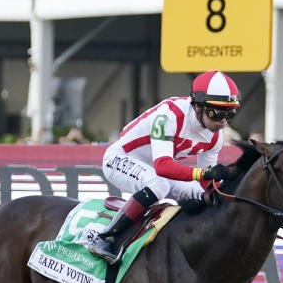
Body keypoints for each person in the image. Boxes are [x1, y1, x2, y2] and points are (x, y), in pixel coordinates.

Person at [86, 70, 240, 264]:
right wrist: (204, 173)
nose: (223, 121)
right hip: (120, 158)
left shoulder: (215, 136)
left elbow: (205, 184)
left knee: (202, 195)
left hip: (155, 172)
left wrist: (223, 188)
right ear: (197, 106)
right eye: (216, 112)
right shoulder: (170, 114)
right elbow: (163, 166)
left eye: (230, 113)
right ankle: (106, 238)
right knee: (159, 185)